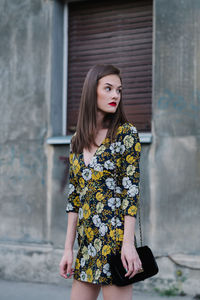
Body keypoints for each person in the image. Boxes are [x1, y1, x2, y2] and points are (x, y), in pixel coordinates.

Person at [59, 64, 143, 300]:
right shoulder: (77, 140)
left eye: (119, 90)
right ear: (91, 91)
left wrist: (128, 245)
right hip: (86, 247)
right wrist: (68, 249)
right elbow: (74, 199)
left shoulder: (126, 134)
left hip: (116, 245)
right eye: (108, 88)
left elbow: (130, 192)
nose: (115, 95)